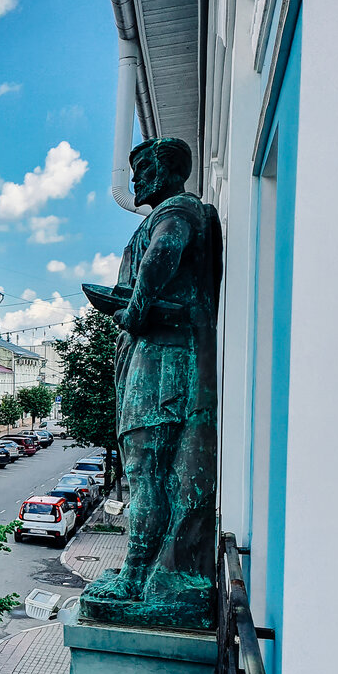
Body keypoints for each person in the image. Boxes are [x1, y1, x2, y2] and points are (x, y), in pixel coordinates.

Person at [82, 138, 222, 627]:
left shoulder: (179, 211)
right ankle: (146, 572)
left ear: (168, 170)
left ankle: (139, 576)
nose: (135, 178)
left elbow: (162, 254)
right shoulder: (186, 212)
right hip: (168, 362)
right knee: (153, 473)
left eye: (142, 168)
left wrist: (136, 311)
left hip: (162, 368)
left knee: (147, 474)